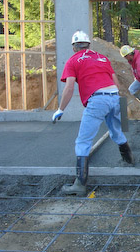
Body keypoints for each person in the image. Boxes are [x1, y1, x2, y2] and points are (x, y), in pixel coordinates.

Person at [52, 30, 134, 196]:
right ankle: (130, 162)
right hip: (114, 97)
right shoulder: (102, 58)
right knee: (117, 132)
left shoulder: (73, 61)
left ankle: (80, 186)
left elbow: (69, 87)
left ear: (74, 47)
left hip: (97, 100)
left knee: (83, 142)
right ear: (88, 44)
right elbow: (116, 84)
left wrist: (60, 109)